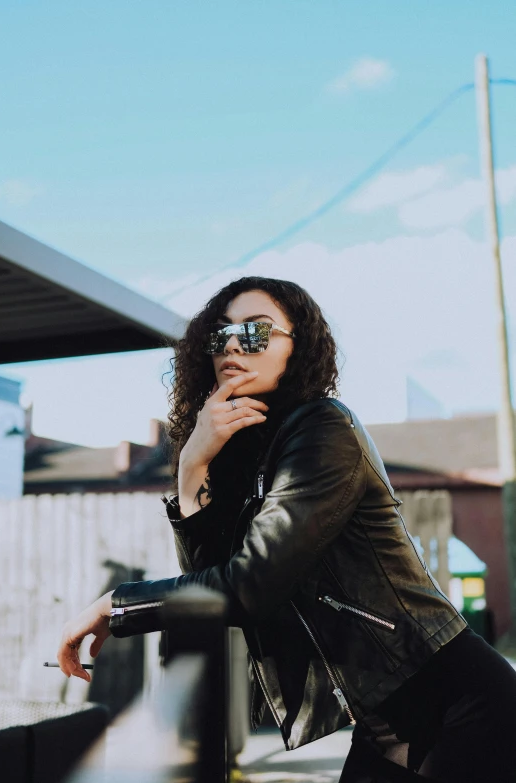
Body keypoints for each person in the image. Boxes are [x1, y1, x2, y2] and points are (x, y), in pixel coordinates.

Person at [58, 276, 516, 782]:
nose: (233, 344)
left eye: (255, 332)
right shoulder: (255, 458)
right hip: (385, 723)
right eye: (221, 335)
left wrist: (117, 604)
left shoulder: (324, 429)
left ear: (296, 349)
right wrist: (191, 473)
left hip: (459, 707)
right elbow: (215, 591)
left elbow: (249, 585)